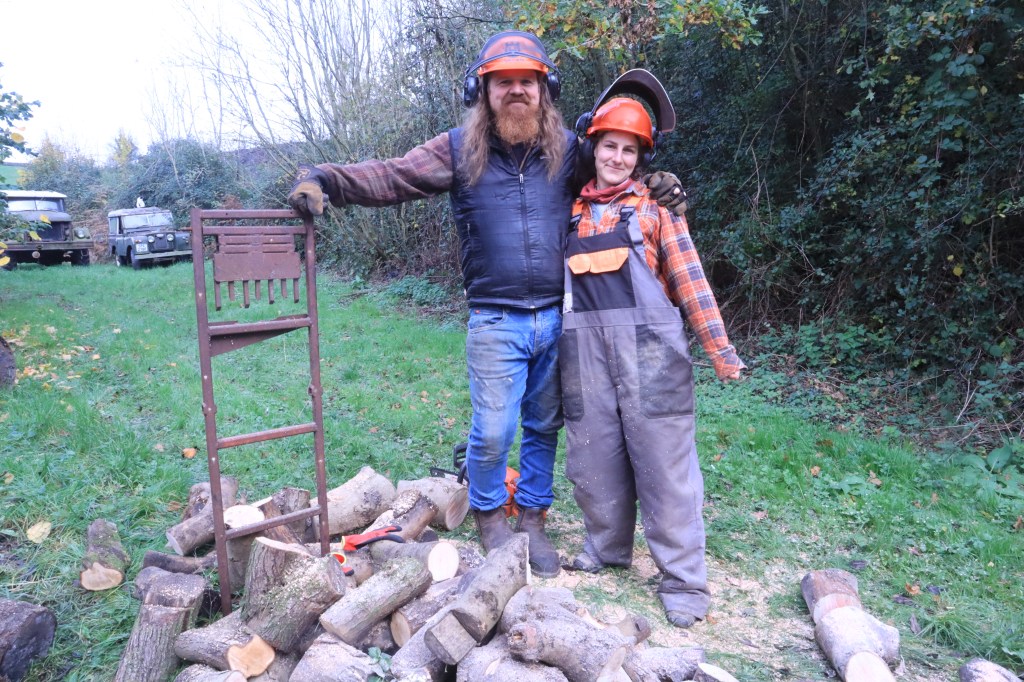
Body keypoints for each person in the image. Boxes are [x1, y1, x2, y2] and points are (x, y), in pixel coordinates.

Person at [287, 30, 687, 578]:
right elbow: (392, 176)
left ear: (546, 90)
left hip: (560, 317)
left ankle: (533, 519)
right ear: (482, 90)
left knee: (544, 426)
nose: (516, 90)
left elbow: (614, 178)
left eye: (527, 81)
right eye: (504, 82)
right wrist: (323, 179)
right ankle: (491, 517)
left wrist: (660, 184)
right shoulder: (459, 150)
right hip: (496, 318)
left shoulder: (568, 151)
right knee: (494, 430)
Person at [559, 95, 745, 627]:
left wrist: (720, 351)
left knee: (665, 467)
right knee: (592, 456)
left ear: (641, 158)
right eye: (609, 146)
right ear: (593, 148)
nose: (616, 158)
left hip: (652, 353)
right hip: (584, 353)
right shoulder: (571, 211)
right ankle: (606, 547)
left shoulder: (656, 208)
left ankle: (684, 581)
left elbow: (691, 280)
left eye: (628, 150)